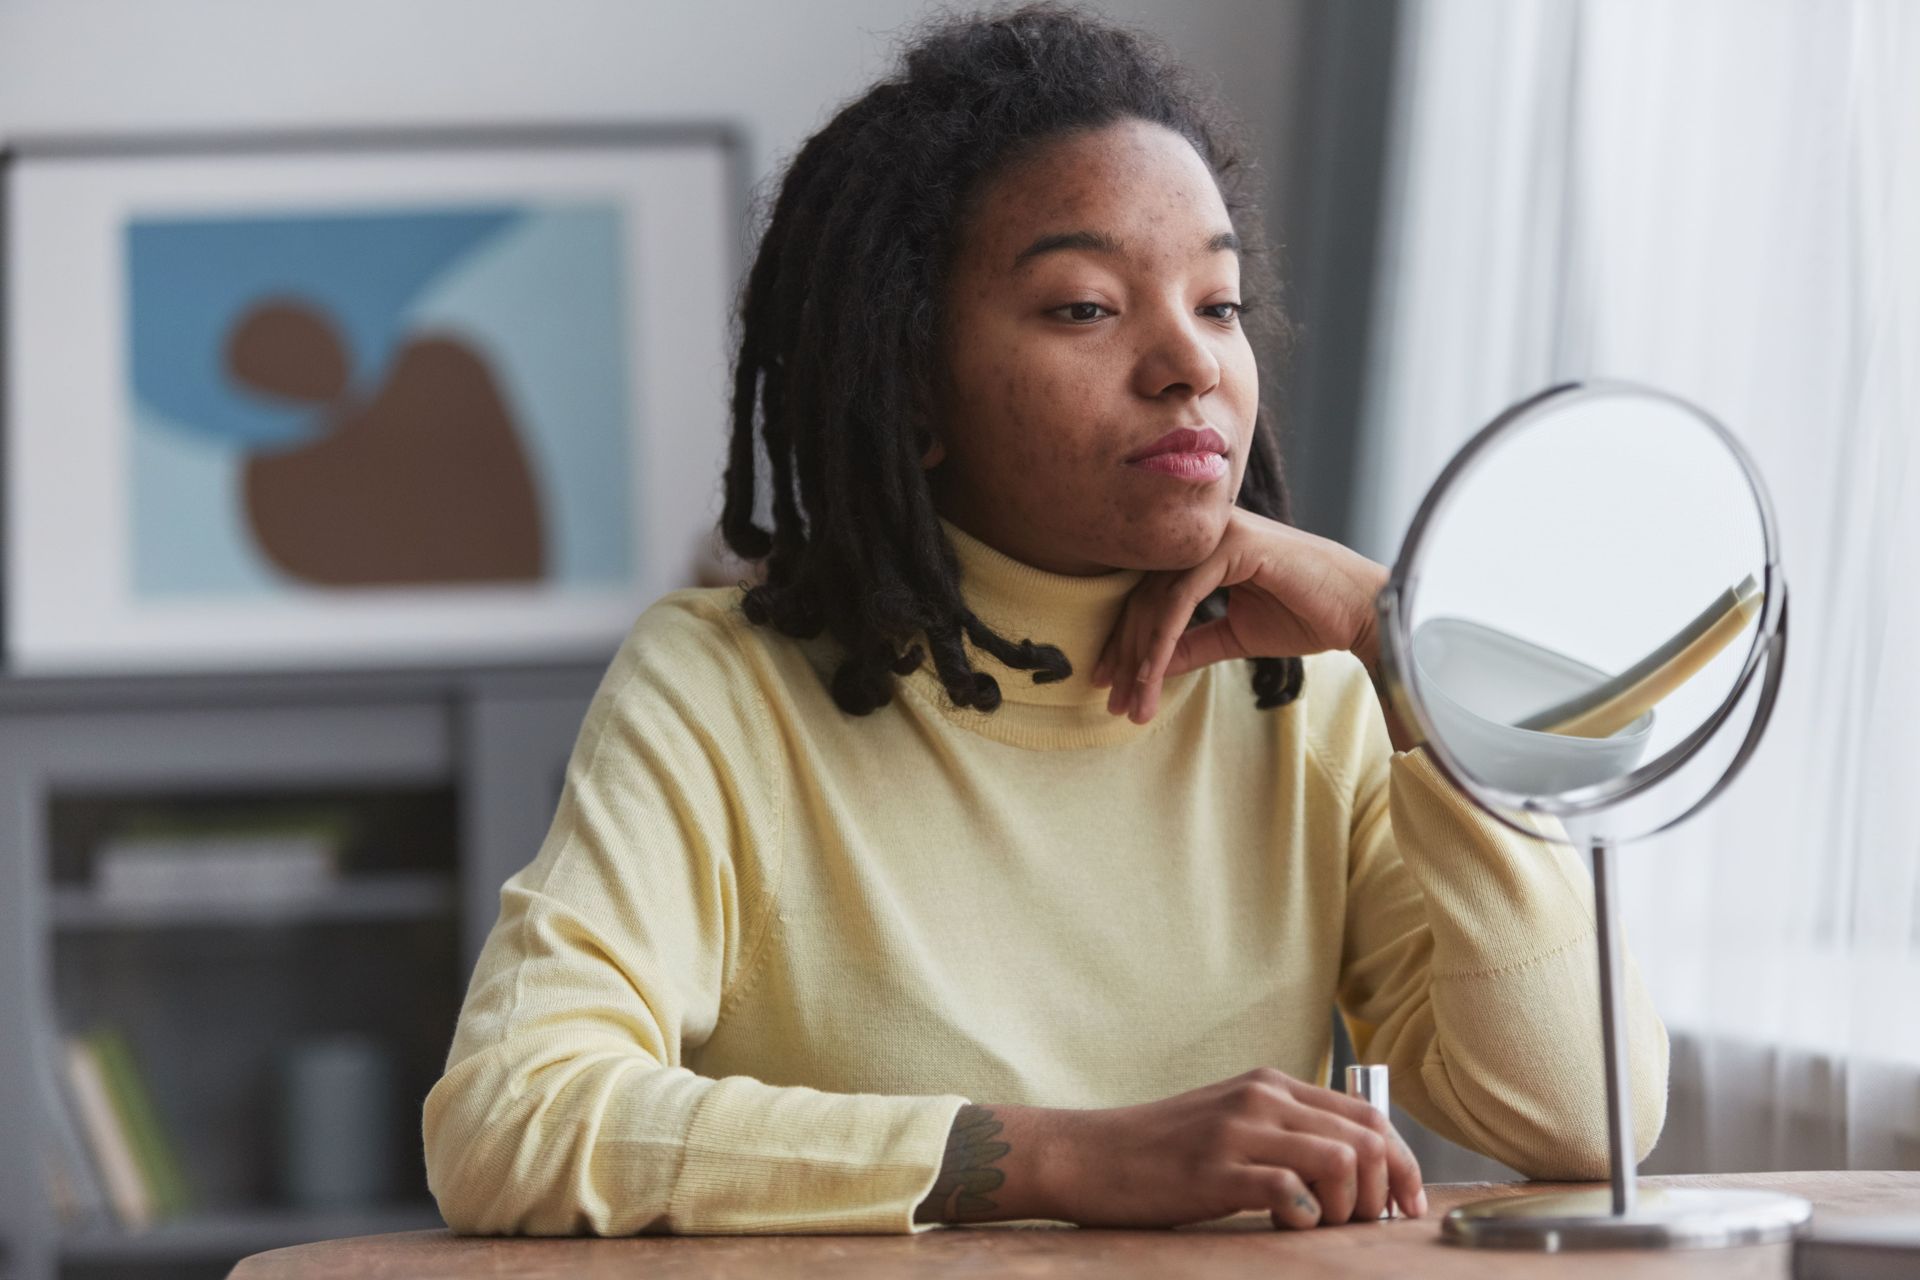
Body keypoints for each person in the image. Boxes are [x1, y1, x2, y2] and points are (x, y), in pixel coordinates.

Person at [421, 1, 1669, 1236]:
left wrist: (1403, 641)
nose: (1192, 363)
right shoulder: (723, 691)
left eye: (1219, 303)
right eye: (1086, 306)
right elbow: (511, 1116)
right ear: (913, 379)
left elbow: (1590, 1117)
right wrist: (1055, 1158)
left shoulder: (1314, 698)